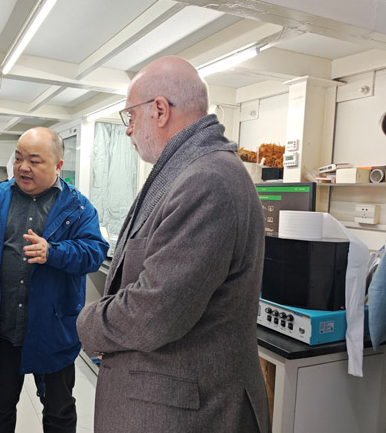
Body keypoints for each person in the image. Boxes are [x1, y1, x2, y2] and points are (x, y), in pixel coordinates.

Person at [76, 56, 271, 433]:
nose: (128, 130)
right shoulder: (188, 171)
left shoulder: (207, 179)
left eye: (131, 116)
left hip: (191, 414)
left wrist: (89, 322)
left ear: (160, 110)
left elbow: (155, 311)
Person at [0, 127, 109, 433]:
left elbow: (94, 253)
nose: (23, 167)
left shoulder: (78, 208)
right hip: (1, 330)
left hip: (51, 332)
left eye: (34, 160)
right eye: (18, 158)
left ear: (58, 165)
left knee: (59, 412)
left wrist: (53, 252)